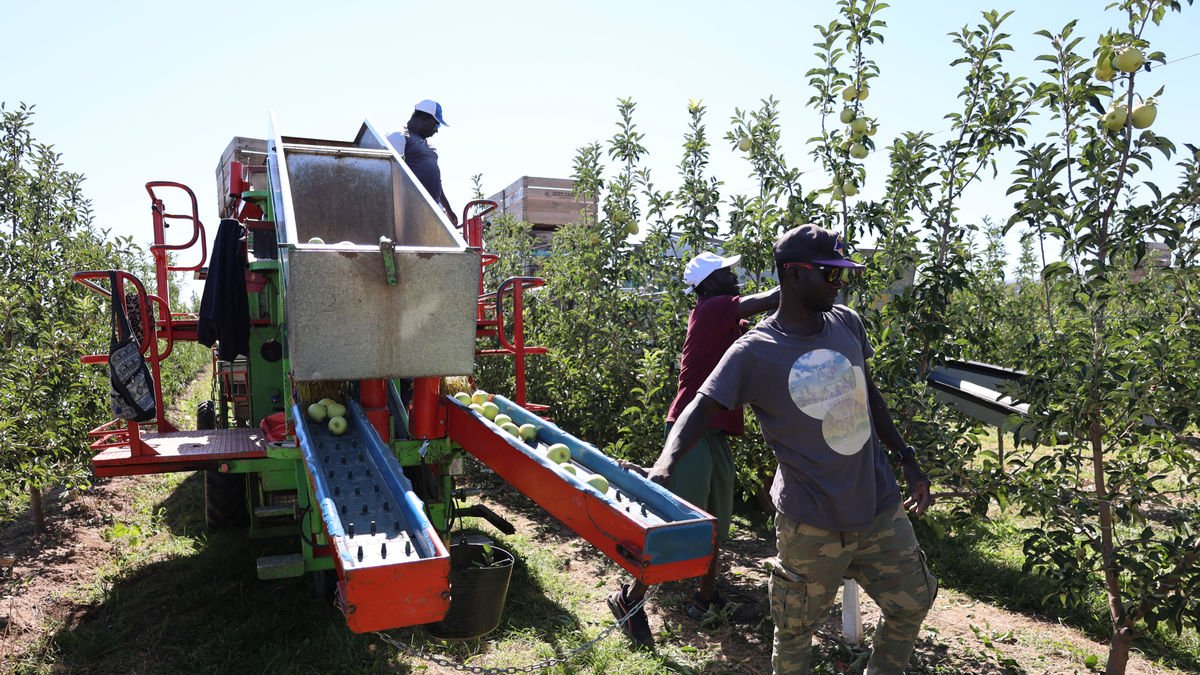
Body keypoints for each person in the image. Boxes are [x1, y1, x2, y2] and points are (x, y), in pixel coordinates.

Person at [646, 223, 936, 674]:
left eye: (842, 274)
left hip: (879, 506)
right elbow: (698, 408)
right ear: (795, 274)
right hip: (811, 522)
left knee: (913, 602)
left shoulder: (847, 324)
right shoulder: (754, 352)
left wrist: (907, 458)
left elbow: (870, 395)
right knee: (795, 630)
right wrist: (666, 463)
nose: (840, 285)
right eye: (831, 274)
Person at [608, 251, 779, 647]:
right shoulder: (712, 308)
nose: (734, 277)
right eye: (725, 273)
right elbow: (770, 299)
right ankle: (629, 598)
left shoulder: (725, 316)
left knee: (715, 520)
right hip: (691, 430)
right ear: (707, 285)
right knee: (679, 521)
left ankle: (705, 598)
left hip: (716, 429)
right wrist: (799, 275)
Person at [387, 99, 457, 226]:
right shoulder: (398, 136)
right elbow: (388, 173)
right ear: (425, 118)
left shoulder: (428, 145)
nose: (436, 130)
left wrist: (448, 209)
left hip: (432, 211)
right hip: (412, 212)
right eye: (437, 124)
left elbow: (435, 181)